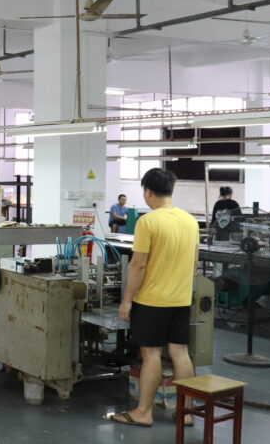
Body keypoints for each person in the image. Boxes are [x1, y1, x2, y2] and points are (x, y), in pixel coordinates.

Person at [109, 168, 198, 428]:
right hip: (181, 299)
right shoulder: (190, 221)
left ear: (148, 191)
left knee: (151, 355)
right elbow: (194, 263)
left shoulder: (148, 222)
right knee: (181, 353)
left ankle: (144, 412)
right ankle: (186, 412)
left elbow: (138, 266)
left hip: (152, 301)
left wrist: (127, 300)